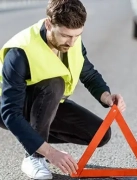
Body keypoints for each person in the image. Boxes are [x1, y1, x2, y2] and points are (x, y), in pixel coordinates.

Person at [0, 0, 126, 179]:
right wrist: (50, 152)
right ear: (49, 24)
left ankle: (33, 139)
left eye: (77, 35)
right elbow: (10, 113)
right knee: (54, 83)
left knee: (100, 134)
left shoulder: (73, 41)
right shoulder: (20, 51)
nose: (72, 42)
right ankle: (33, 156)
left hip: (45, 105)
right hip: (8, 108)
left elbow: (88, 73)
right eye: (66, 36)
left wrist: (106, 96)